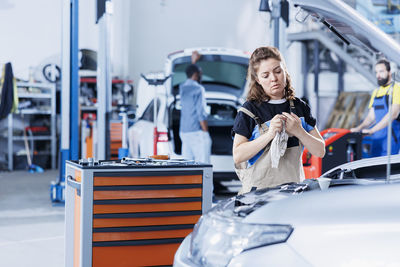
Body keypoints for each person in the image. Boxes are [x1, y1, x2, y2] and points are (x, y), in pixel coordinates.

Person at [232, 46, 325, 193]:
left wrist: (299, 131)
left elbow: (320, 151)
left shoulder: (300, 107)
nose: (274, 79)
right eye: (265, 75)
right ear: (257, 80)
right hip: (258, 195)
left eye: (277, 71)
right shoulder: (249, 110)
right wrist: (269, 134)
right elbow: (238, 155)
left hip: (293, 192)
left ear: (285, 71)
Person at [350, 58, 400, 156]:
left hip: (391, 139)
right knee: (375, 166)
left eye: (381, 71)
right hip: (377, 138)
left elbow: (393, 114)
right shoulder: (376, 92)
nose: (378, 75)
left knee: (387, 169)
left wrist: (372, 130)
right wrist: (358, 129)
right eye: (376, 72)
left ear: (390, 72)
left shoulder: (396, 89)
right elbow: (370, 118)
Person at [179, 55, 211, 163]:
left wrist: (194, 62)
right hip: (196, 132)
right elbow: (200, 112)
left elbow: (191, 72)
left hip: (183, 131)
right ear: (196, 74)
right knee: (202, 164)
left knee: (187, 164)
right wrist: (206, 132)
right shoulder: (199, 89)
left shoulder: (182, 87)